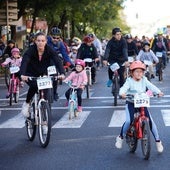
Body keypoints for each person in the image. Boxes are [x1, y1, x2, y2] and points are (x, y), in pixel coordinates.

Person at [115, 60, 164, 153]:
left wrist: (158, 92)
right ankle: (120, 137)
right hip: (131, 103)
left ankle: (158, 141)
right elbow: (124, 88)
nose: (139, 73)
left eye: (141, 71)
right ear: (131, 72)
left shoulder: (144, 80)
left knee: (150, 122)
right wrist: (122, 93)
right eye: (136, 71)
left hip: (142, 103)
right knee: (129, 120)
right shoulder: (129, 81)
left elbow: (151, 86)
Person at [20, 32, 65, 118]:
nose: (40, 42)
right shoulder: (31, 50)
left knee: (46, 88)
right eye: (38, 40)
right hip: (31, 73)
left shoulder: (49, 49)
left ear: (46, 41)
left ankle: (45, 113)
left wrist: (62, 73)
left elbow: (57, 60)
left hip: (44, 73)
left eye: (42, 40)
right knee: (34, 86)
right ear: (35, 41)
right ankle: (27, 103)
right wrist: (22, 74)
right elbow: (25, 62)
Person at [47, 26, 73, 100]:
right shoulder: (45, 41)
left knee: (54, 76)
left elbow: (65, 55)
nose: (55, 39)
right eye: (53, 37)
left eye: (57, 38)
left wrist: (71, 65)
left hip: (54, 61)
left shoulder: (60, 44)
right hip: (44, 60)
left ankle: (54, 92)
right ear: (50, 36)